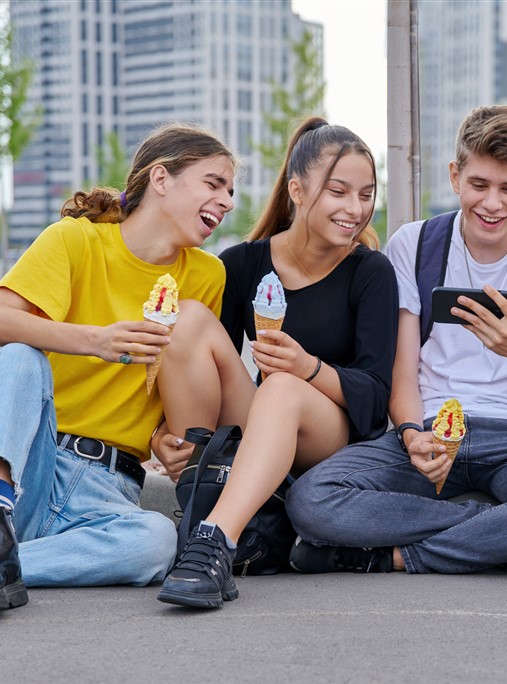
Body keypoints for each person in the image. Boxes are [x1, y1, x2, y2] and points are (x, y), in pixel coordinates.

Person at [0, 123, 237, 614]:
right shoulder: (76, 241)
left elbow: (172, 372)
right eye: (213, 183)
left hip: (111, 487)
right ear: (161, 178)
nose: (226, 201)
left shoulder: (205, 275)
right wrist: (95, 340)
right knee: (17, 357)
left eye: (230, 191)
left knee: (156, 542)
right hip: (29, 467)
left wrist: (160, 434)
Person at [285, 104, 507, 576]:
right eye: (479, 185)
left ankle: (400, 556)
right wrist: (412, 434)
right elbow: (403, 370)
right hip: (429, 427)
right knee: (311, 498)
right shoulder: (412, 244)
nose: (492, 203)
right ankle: (505, 534)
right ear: (456, 176)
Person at [150, 118, 398, 608]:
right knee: (189, 319)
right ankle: (201, 490)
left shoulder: (370, 272)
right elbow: (205, 367)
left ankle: (212, 542)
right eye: (339, 191)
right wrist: (160, 435)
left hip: (333, 438)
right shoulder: (242, 263)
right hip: (265, 423)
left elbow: (375, 397)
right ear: (298, 190)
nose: (356, 209)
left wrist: (308, 368)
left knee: (281, 386)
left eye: (366, 194)